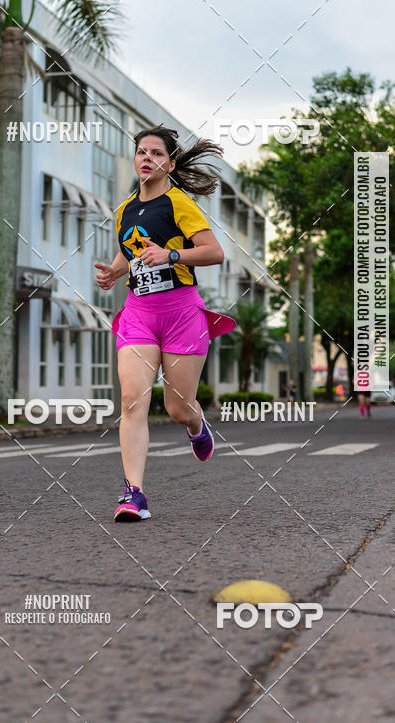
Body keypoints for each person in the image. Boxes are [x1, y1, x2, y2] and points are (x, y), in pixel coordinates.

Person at [95, 125, 236, 522]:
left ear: (170, 164)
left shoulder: (179, 203)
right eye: (141, 151)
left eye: (156, 153)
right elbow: (133, 251)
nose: (147, 158)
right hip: (139, 312)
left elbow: (213, 252)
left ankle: (196, 423)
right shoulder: (124, 210)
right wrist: (114, 273)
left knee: (177, 408)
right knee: (132, 399)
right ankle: (134, 494)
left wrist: (172, 257)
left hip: (180, 314)